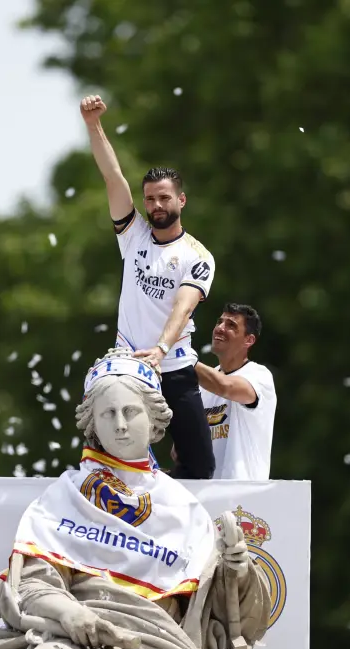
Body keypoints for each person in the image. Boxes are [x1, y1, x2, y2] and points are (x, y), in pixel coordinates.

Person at [0, 351, 271, 649]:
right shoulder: (67, 495)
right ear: (93, 424)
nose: (120, 424)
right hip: (75, 632)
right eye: (108, 413)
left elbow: (219, 612)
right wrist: (70, 613)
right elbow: (33, 584)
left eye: (131, 411)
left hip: (158, 641)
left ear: (155, 418)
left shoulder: (184, 507)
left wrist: (237, 572)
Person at [79, 94, 216, 480]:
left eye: (164, 198)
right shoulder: (134, 235)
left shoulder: (196, 255)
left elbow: (183, 308)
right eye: (150, 199)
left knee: (199, 466)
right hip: (125, 366)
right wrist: (93, 125)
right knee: (106, 458)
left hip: (171, 366)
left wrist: (160, 349)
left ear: (181, 200)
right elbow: (112, 177)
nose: (156, 205)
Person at [194, 303, 276, 480]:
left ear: (249, 340)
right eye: (219, 322)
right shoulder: (204, 384)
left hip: (243, 496)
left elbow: (226, 387)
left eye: (231, 325)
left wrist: (180, 357)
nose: (220, 328)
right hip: (205, 492)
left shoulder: (259, 375)